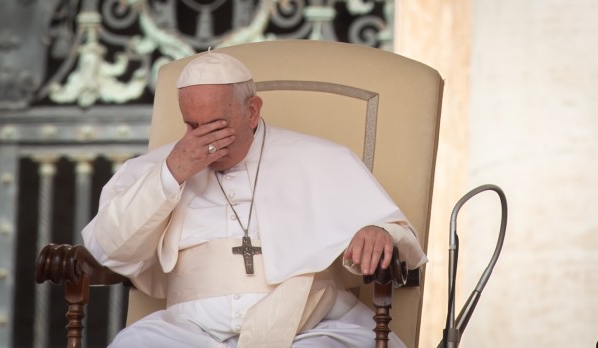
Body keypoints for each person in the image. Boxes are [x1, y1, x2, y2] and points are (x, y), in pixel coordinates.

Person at [82, 51, 427, 348]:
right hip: (189, 333)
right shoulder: (158, 167)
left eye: (216, 125)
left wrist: (379, 233)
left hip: (309, 328)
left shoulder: (320, 158)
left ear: (251, 111)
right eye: (192, 126)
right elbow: (108, 249)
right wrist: (171, 173)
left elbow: (401, 237)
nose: (205, 141)